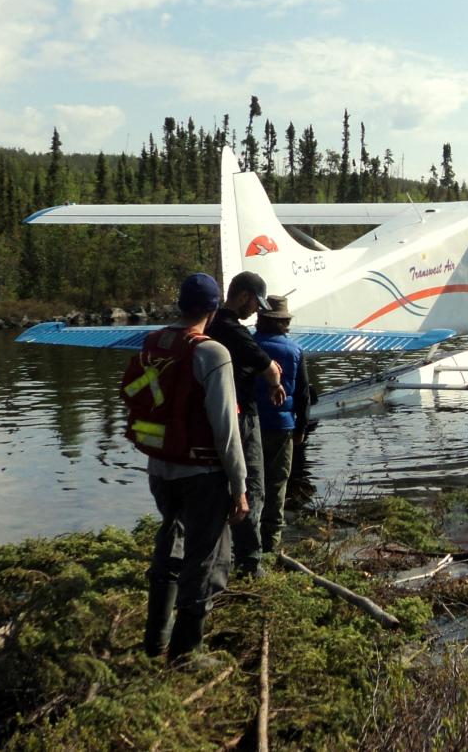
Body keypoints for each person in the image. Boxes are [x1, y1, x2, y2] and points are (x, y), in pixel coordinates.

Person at [135, 273, 249, 661]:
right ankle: (186, 652)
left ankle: (155, 642)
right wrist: (240, 485)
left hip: (160, 469)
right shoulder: (212, 352)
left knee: (171, 542)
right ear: (214, 309)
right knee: (207, 559)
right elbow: (225, 428)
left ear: (181, 305)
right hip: (203, 474)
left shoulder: (155, 343)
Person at [205, 271, 286, 575]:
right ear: (243, 296)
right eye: (255, 303)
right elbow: (271, 369)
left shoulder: (208, 325)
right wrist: (275, 384)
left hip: (211, 417)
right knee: (252, 486)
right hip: (242, 417)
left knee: (222, 486)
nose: (255, 310)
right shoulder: (234, 331)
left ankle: (221, 556)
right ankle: (251, 563)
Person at [251, 295, 311, 560]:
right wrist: (301, 427)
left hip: (247, 425)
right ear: (285, 323)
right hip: (282, 426)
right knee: (276, 484)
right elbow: (303, 395)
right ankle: (271, 545)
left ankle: (246, 543)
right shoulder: (295, 351)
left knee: (249, 482)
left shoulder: (247, 346)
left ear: (260, 319)